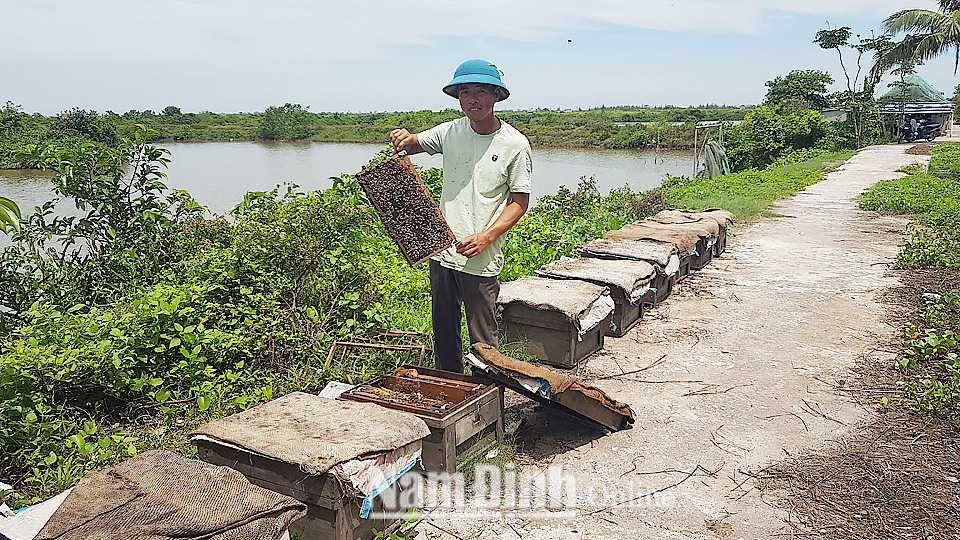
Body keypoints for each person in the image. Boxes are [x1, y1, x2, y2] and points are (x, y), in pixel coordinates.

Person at [390, 59, 532, 373]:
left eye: (480, 91)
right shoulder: (451, 131)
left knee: (483, 343)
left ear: (496, 95)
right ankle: (450, 393)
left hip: (479, 258)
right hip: (441, 251)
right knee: (443, 333)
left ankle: (488, 404)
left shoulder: (515, 144)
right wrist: (403, 137)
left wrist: (486, 236)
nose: (472, 99)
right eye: (464, 92)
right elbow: (413, 144)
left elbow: (519, 202)